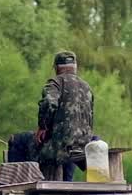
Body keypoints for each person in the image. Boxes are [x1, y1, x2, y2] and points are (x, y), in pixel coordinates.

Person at [35, 51, 95, 181]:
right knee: (69, 156)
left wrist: (43, 126)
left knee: (23, 142)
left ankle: (32, 184)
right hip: (84, 144)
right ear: (75, 67)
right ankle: (67, 184)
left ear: (56, 67)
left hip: (60, 145)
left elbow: (49, 103)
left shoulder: (56, 82)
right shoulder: (86, 87)